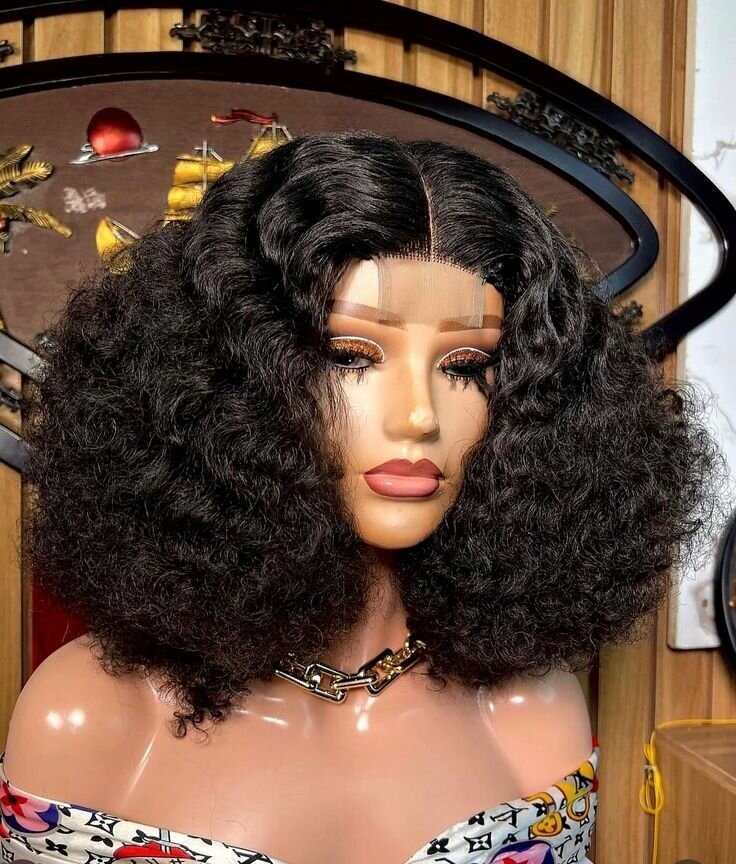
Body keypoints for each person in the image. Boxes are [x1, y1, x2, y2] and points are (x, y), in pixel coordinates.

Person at [0, 131, 720, 864]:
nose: (418, 415)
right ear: (233, 379)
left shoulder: (529, 710)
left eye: (464, 365)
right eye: (352, 356)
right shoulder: (89, 717)